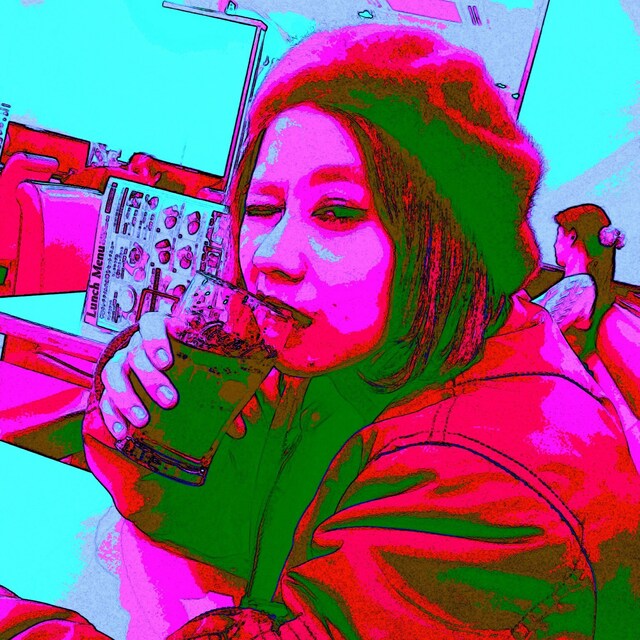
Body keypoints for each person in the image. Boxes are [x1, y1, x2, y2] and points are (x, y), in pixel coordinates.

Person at [3, 25, 640, 640]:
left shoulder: (496, 492)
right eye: (262, 207)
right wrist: (148, 421)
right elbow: (229, 526)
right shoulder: (359, 356)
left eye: (337, 212)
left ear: (444, 237)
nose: (273, 255)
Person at [533, 203, 625, 358]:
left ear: (572, 236)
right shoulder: (580, 284)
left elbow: (536, 333)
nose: (555, 243)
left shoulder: (580, 285)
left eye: (558, 234)